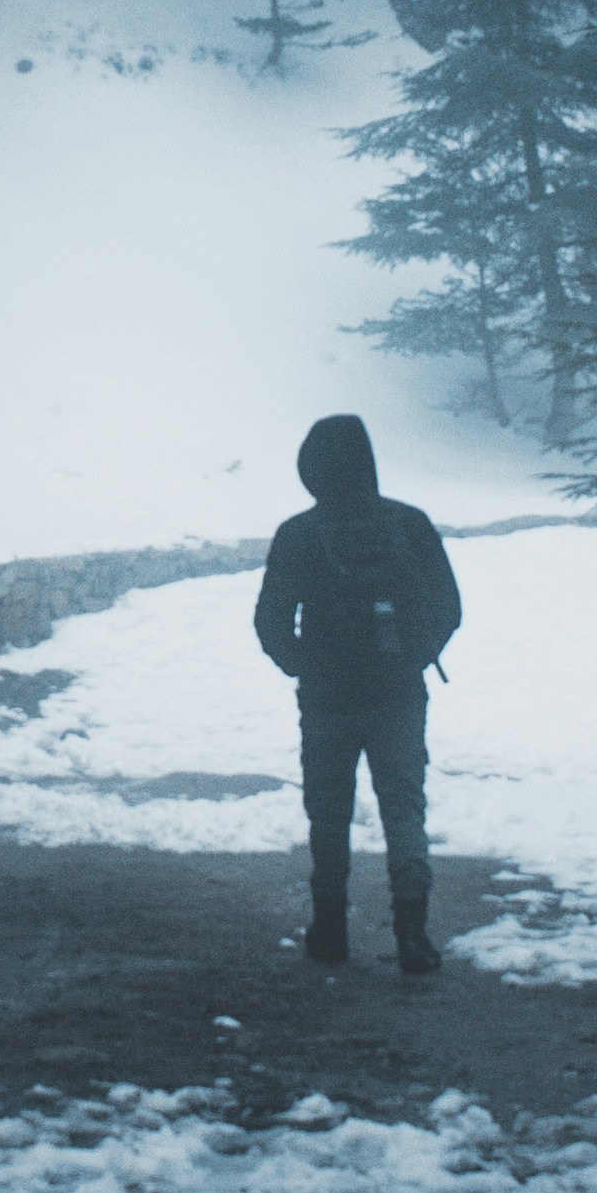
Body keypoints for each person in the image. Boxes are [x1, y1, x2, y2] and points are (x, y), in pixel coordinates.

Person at [252, 413, 464, 975]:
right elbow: (448, 608)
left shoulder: (297, 533)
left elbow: (271, 621)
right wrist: (409, 660)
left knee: (328, 813)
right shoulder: (410, 523)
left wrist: (306, 666)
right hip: (398, 695)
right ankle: (413, 934)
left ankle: (329, 929)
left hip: (326, 700)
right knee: (403, 808)